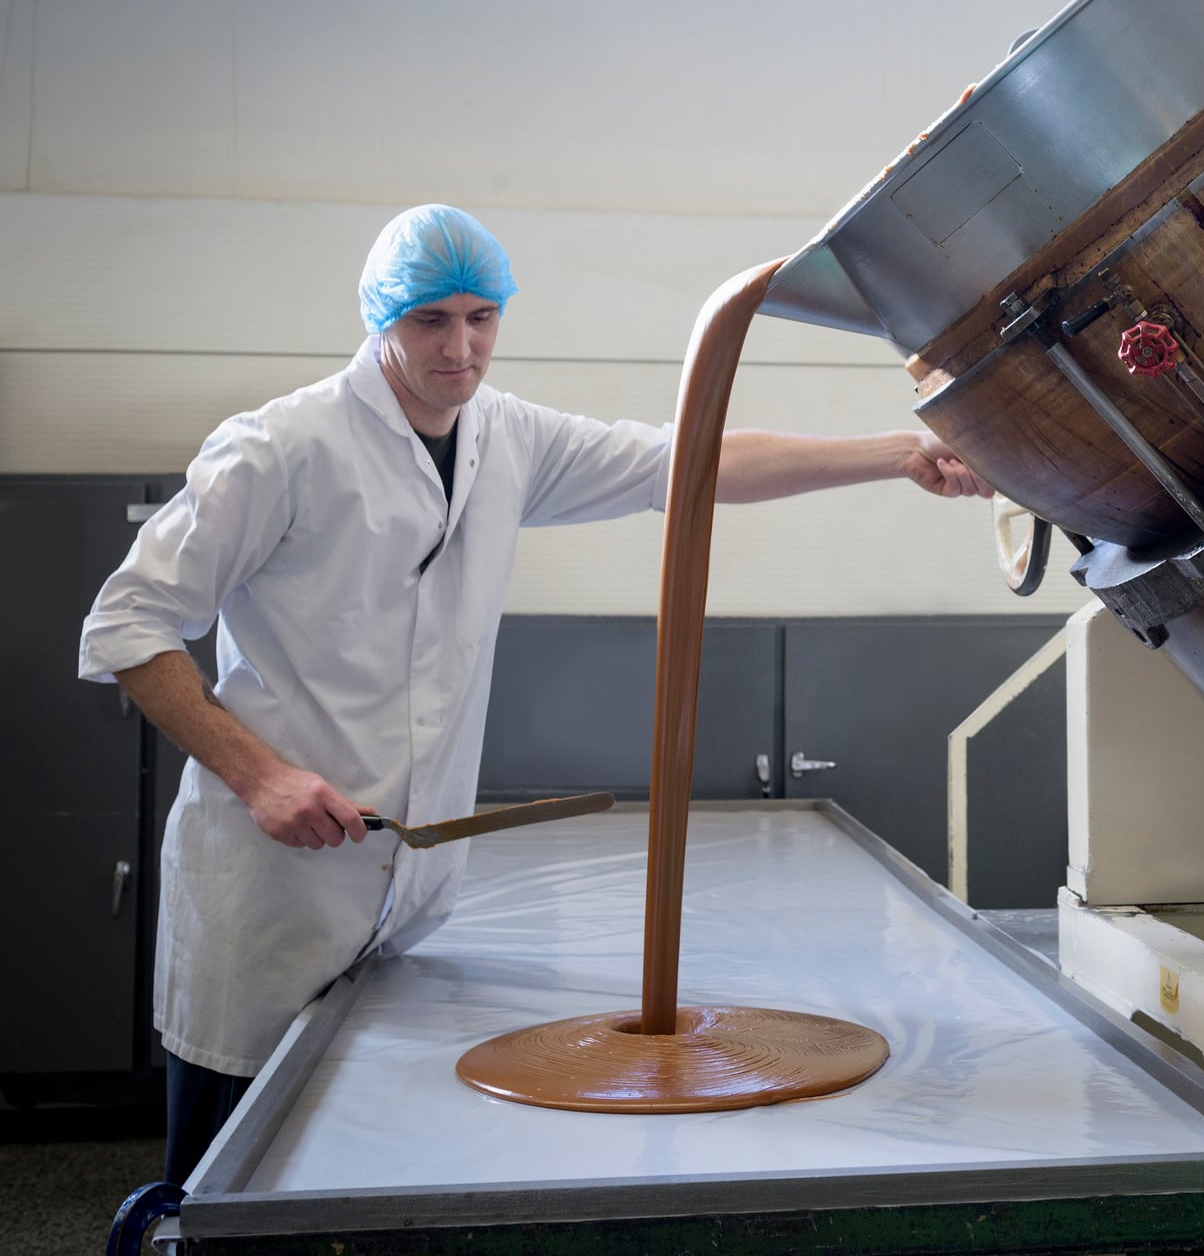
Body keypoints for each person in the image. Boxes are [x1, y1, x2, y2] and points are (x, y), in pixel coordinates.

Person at [77, 204, 990, 1185]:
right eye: (431, 320)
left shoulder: (503, 439)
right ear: (381, 319)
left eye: (482, 317)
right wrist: (260, 777)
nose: (461, 347)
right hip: (271, 897)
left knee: (349, 1174)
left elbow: (689, 460)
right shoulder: (278, 449)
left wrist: (897, 454)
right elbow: (125, 624)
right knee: (224, 1182)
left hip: (400, 903)